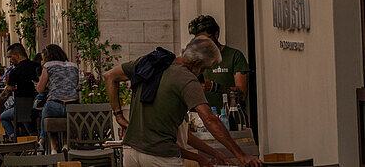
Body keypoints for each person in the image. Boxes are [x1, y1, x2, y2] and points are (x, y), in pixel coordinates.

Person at [104, 36, 262, 167]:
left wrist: (118, 115)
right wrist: (241, 155)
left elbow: (109, 76)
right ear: (197, 64)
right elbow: (209, 119)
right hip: (160, 158)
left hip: (131, 153)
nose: (204, 74)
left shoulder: (151, 63)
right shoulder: (187, 79)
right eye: (207, 68)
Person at [187, 14, 249, 114]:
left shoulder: (234, 56)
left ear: (216, 34)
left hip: (231, 119)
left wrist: (214, 87)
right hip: (202, 120)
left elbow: (241, 95)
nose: (203, 43)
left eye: (206, 39)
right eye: (199, 40)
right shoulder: (194, 59)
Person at [0, 43, 40, 140]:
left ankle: (13, 137)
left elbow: (6, 93)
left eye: (10, 57)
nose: (9, 60)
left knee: (3, 117)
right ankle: (35, 139)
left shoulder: (15, 71)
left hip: (22, 108)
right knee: (32, 128)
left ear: (17, 55)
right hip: (37, 106)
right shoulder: (36, 66)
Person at [35, 44, 79, 149]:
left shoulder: (48, 65)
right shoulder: (74, 65)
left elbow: (40, 89)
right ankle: (65, 144)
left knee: (45, 111)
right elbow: (74, 84)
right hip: (73, 107)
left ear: (47, 56)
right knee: (63, 121)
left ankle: (48, 144)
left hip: (54, 106)